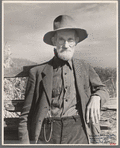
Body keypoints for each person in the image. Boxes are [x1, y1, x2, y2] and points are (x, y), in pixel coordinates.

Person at [18, 15, 109, 144]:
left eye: (70, 39)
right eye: (61, 39)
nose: (66, 45)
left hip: (78, 132)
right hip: (47, 134)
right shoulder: (37, 72)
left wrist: (97, 97)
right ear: (54, 41)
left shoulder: (84, 67)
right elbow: (25, 115)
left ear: (76, 41)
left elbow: (103, 89)